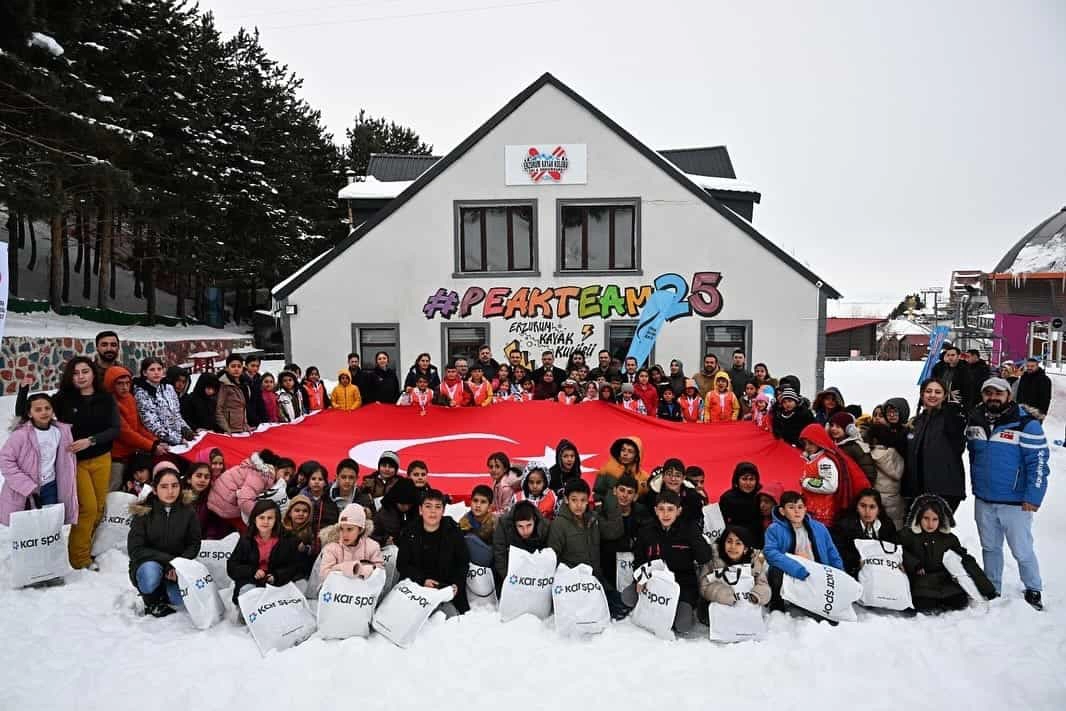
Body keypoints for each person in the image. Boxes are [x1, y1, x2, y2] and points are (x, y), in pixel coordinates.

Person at [966, 377, 1049, 610]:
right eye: (988, 393)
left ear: (1008, 396)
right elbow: (974, 456)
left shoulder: (1026, 424)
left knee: (1021, 549)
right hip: (984, 498)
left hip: (1015, 502)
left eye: (998, 393)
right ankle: (993, 586)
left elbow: (1039, 463)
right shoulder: (975, 420)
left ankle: (1033, 587)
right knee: (990, 547)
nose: (993, 397)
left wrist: (1033, 497)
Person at [52, 356, 120, 570]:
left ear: (93, 374)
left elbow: (114, 429)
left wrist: (90, 441)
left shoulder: (106, 398)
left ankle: (86, 547)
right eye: (75, 373)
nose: (80, 376)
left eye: (85, 371)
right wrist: (25, 389)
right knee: (87, 508)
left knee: (99, 508)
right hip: (76, 462)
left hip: (102, 458)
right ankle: (79, 560)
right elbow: (31, 411)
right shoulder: (63, 399)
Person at [625, 489, 713, 633]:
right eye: (661, 509)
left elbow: (704, 557)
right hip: (653, 582)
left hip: (682, 585)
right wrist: (640, 579)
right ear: (655, 510)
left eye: (670, 509)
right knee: (627, 597)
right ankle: (654, 610)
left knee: (683, 626)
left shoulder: (688, 529)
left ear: (678, 511)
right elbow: (638, 560)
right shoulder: (646, 531)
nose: (665, 514)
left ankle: (677, 611)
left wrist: (694, 534)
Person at [899, 494, 997, 612]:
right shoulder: (908, 535)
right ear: (918, 517)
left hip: (945, 580)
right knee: (924, 604)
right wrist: (914, 564)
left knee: (959, 602)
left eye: (935, 519)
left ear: (941, 520)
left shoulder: (949, 539)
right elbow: (896, 549)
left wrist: (987, 589)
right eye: (926, 518)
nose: (930, 524)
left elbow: (967, 562)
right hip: (921, 581)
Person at [127, 464, 201, 617]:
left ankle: (163, 591)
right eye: (164, 486)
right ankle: (151, 599)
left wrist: (180, 565)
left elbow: (194, 543)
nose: (170, 491)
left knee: (178, 598)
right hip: (148, 564)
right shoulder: (144, 512)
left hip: (175, 568)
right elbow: (136, 550)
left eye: (174, 486)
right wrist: (170, 561)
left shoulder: (188, 511)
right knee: (150, 575)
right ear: (155, 489)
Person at [0, 392, 78, 532]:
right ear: (30, 413)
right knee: (27, 531)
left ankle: (48, 553)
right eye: (38, 409)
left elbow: (65, 462)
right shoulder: (21, 435)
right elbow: (5, 462)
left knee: (49, 527)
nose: (44, 412)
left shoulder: (60, 432)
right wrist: (28, 487)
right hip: (25, 490)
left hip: (50, 487)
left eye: (47, 408)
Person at [763, 491, 845, 611]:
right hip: (791, 572)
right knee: (775, 570)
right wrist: (797, 568)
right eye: (791, 507)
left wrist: (840, 574)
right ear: (782, 511)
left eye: (800, 507)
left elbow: (832, 552)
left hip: (817, 573)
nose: (797, 511)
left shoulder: (819, 528)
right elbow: (770, 553)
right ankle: (778, 606)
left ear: (805, 509)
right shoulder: (774, 529)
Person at [397, 489, 470, 617]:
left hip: (445, 589)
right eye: (428, 506)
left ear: (443, 510)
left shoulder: (453, 531)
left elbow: (462, 563)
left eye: (438, 507)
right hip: (417, 587)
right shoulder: (409, 532)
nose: (433, 511)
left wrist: (456, 584)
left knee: (450, 620)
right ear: (420, 510)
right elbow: (402, 564)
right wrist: (422, 580)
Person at [903, 378, 967, 513]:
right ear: (922, 394)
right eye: (928, 391)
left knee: (936, 531)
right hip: (918, 488)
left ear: (944, 396)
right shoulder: (917, 421)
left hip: (944, 489)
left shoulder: (951, 418)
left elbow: (959, 445)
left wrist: (953, 411)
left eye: (938, 392)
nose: (932, 395)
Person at [227, 499, 306, 607]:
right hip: (251, 582)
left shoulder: (287, 539)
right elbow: (232, 566)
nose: (265, 521)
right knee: (247, 593)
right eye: (261, 517)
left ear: (276, 520)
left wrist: (276, 576)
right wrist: (252, 572)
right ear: (254, 519)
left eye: (270, 518)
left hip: (278, 583)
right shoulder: (246, 539)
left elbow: (294, 567)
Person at [103, 366, 166, 491]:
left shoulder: (130, 398)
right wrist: (151, 446)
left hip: (132, 454)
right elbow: (125, 433)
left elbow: (138, 427)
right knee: (114, 486)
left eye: (127, 383)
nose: (125, 387)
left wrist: (155, 441)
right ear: (111, 384)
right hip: (117, 457)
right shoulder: (109, 403)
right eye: (120, 384)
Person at [547, 478, 621, 581]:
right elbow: (552, 559)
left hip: (596, 580)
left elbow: (614, 532)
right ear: (566, 499)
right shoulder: (558, 524)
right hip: (571, 583)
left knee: (618, 597)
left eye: (583, 500)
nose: (579, 505)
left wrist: (611, 496)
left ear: (588, 500)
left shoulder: (593, 518)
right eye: (574, 500)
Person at [599, 474, 649, 618]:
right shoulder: (601, 513)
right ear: (614, 491)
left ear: (635, 496)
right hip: (608, 568)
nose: (624, 495)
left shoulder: (642, 514)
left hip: (634, 569)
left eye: (629, 492)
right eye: (621, 490)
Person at [206, 449, 285, 534]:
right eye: (285, 473)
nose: (286, 478)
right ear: (275, 469)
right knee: (251, 532)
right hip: (225, 505)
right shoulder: (261, 475)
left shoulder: (250, 467)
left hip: (217, 501)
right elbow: (244, 500)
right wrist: (260, 516)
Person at [798, 422, 860, 527]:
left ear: (819, 442)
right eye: (805, 443)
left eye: (811, 443)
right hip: (812, 510)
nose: (807, 447)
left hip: (823, 514)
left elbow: (830, 485)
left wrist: (806, 482)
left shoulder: (824, 462)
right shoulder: (811, 459)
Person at [831, 488, 899, 578]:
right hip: (854, 572)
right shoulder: (844, 526)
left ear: (879, 510)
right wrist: (856, 561)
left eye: (872, 507)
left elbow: (895, 547)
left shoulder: (887, 525)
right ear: (856, 507)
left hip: (883, 571)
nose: (867, 511)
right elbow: (838, 552)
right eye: (863, 506)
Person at [699, 526, 772, 608]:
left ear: (746, 548)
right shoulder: (714, 559)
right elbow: (704, 586)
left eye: (738, 543)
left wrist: (756, 595)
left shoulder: (754, 562)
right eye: (729, 542)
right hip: (719, 607)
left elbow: (764, 586)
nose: (733, 547)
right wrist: (723, 595)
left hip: (746, 608)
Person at [133, 357, 193, 446]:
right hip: (160, 442)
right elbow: (152, 424)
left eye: (159, 369)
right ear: (145, 373)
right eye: (152, 370)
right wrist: (177, 439)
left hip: (179, 437)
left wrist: (186, 429)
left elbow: (176, 414)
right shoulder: (141, 393)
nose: (156, 372)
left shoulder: (169, 388)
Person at [318, 503, 385, 579]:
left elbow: (380, 573)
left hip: (364, 589)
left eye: (349, 529)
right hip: (336, 590)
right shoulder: (331, 548)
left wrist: (366, 570)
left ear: (360, 530)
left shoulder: (372, 547)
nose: (344, 534)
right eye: (341, 529)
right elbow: (323, 575)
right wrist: (346, 568)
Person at [492, 499, 550, 582]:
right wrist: (508, 579)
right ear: (514, 523)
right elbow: (499, 553)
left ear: (535, 520)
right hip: (511, 572)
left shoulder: (545, 527)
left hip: (539, 574)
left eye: (529, 525)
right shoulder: (504, 525)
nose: (525, 531)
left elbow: (550, 556)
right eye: (520, 526)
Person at [638, 459, 704, 528]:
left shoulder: (692, 496)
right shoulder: (652, 496)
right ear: (663, 476)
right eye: (669, 474)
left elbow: (697, 521)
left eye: (677, 476)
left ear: (683, 478)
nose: (673, 479)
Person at [864, 423, 906, 529]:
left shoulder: (869, 455)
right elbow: (898, 474)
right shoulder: (895, 454)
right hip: (895, 498)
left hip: (877, 497)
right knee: (896, 526)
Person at [182, 461, 232, 540]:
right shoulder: (177, 498)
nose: (203, 480)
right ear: (189, 479)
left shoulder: (211, 501)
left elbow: (213, 525)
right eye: (199, 476)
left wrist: (209, 539)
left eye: (206, 477)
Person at [718, 462, 764, 545]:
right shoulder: (728, 498)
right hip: (735, 540)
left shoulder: (761, 495)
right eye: (744, 479)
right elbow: (721, 523)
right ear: (737, 480)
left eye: (751, 479)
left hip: (759, 540)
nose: (748, 483)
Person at [826, 412, 877, 485]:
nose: (833, 429)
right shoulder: (832, 445)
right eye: (831, 425)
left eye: (838, 426)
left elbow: (868, 471)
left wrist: (865, 490)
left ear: (849, 429)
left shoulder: (855, 446)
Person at [298, 462, 341, 539]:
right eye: (313, 479)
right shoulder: (300, 499)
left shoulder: (330, 501)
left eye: (320, 479)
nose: (316, 482)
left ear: (325, 483)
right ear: (308, 481)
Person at [372, 476, 419, 546]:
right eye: (402, 504)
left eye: (409, 504)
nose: (406, 507)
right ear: (395, 500)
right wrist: (384, 540)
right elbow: (372, 535)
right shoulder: (384, 512)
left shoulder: (417, 512)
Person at [459, 484, 496, 566]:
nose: (478, 505)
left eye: (483, 502)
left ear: (490, 506)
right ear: (470, 502)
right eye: (475, 501)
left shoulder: (496, 523)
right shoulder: (463, 522)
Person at [931, 345, 975, 413]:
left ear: (958, 356)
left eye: (953, 355)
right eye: (948, 355)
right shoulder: (941, 368)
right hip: (941, 403)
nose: (950, 357)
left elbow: (969, 391)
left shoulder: (965, 370)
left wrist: (965, 407)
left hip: (957, 405)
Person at [283, 495, 317, 577]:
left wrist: (306, 549)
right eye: (297, 510)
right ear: (289, 513)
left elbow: (313, 552)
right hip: (282, 570)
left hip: (301, 573)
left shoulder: (311, 532)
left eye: (305, 511)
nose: (301, 514)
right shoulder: (281, 529)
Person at [216, 355, 251, 433]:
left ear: (242, 368)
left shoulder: (244, 385)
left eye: (239, 366)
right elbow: (218, 410)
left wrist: (245, 425)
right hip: (229, 430)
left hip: (241, 429)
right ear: (227, 368)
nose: (236, 369)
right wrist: (226, 428)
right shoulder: (224, 385)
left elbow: (243, 407)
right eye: (233, 366)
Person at [243, 356, 266, 428]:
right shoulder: (242, 380)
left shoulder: (258, 379)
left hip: (257, 416)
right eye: (252, 366)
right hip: (245, 418)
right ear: (246, 366)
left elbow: (259, 400)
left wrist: (264, 418)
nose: (255, 368)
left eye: (257, 366)